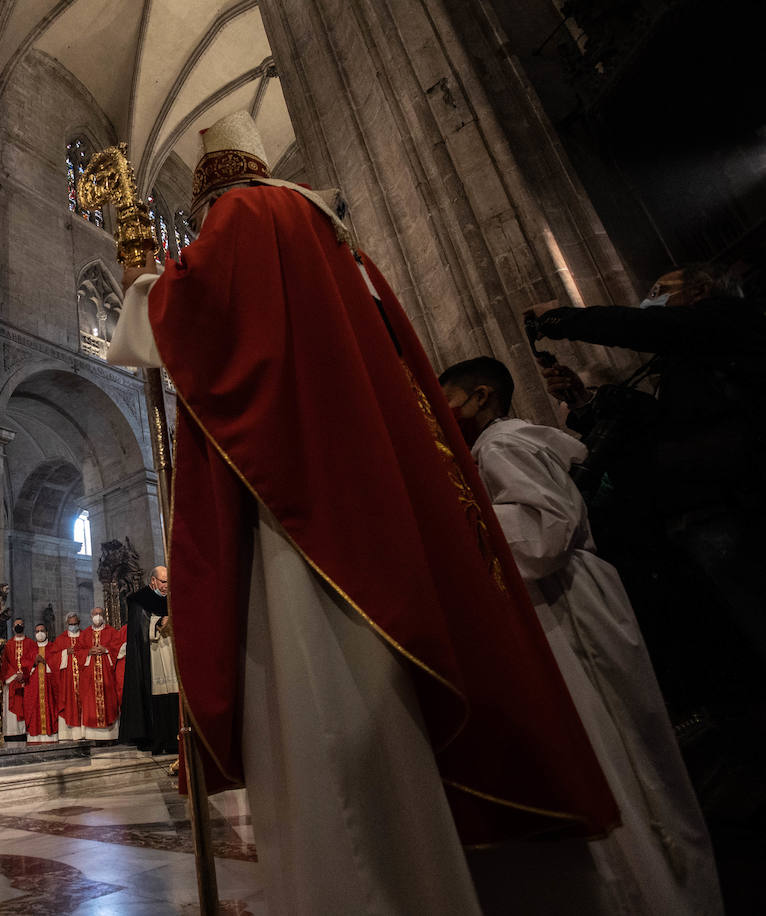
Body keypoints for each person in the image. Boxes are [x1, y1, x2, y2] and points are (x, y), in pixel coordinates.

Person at [108, 109, 617, 914]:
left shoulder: (251, 213)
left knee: (333, 739)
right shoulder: (338, 241)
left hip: (304, 511)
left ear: (213, 191)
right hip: (363, 485)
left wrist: (140, 286)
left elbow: (196, 305)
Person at [441, 356, 722, 913]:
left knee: (619, 751)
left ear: (480, 396)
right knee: (629, 752)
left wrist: (449, 522)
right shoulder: (502, 444)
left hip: (571, 601)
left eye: (445, 397)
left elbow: (543, 531)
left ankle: (660, 892)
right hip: (576, 596)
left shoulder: (500, 446)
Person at [528, 267, 766, 721]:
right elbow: (655, 426)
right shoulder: (685, 360)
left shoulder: (725, 320)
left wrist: (563, 319)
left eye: (660, 293)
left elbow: (647, 327)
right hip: (702, 509)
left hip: (739, 501)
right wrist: (584, 403)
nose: (649, 301)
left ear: (699, 290)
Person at [120, 566, 178, 755]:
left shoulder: (173, 597)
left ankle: (176, 739)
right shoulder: (140, 600)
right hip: (152, 655)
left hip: (171, 653)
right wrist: (159, 622)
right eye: (163, 582)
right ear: (153, 581)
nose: (166, 586)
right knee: (157, 696)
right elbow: (139, 629)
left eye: (169, 582)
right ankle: (157, 739)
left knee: (175, 694)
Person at [74, 608, 124, 741]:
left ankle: (111, 736)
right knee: (91, 703)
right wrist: (89, 652)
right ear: (91, 617)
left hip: (107, 675)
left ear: (104, 616)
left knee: (109, 702)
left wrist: (106, 650)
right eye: (95, 614)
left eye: (100, 614)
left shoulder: (112, 632)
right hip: (90, 677)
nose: (97, 616)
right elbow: (77, 651)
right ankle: (92, 736)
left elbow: (119, 648)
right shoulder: (84, 634)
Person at [25, 624, 60, 743]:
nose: (40, 633)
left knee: (50, 707)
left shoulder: (53, 647)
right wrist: (34, 663)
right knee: (34, 709)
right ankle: (35, 736)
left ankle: (51, 734)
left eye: (42, 630)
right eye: (37, 631)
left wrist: (46, 662)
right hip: (33, 687)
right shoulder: (31, 649)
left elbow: (57, 665)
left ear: (47, 632)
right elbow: (24, 667)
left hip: (49, 686)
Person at [0, 617, 34, 739]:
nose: (18, 626)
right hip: (12, 681)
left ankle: (27, 730)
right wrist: (15, 674)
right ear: (12, 628)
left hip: (27, 681)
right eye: (16, 624)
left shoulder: (30, 643)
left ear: (24, 626)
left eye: (21, 624)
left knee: (27, 705)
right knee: (13, 707)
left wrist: (24, 674)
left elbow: (32, 660)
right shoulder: (8, 644)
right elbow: (5, 663)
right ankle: (13, 732)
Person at [53, 613, 85, 740]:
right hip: (67, 680)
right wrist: (65, 652)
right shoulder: (61, 639)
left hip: (83, 679)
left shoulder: (85, 636)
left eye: (75, 624)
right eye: (71, 624)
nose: (73, 626)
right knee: (68, 703)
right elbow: (52, 659)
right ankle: (67, 734)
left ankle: (84, 733)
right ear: (67, 624)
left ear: (79, 623)